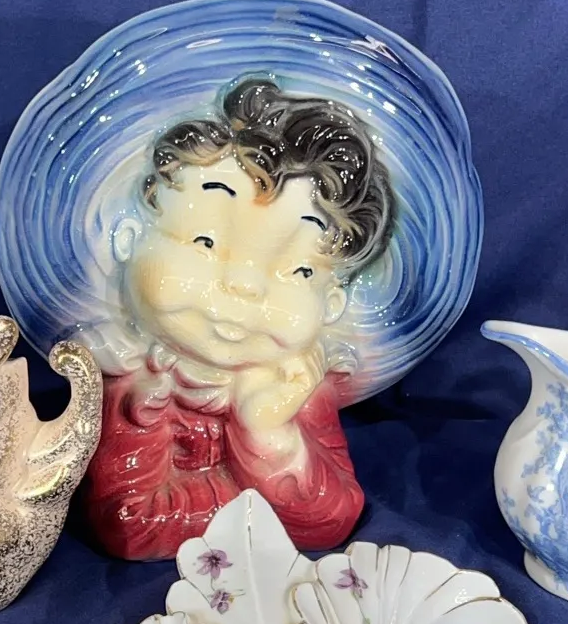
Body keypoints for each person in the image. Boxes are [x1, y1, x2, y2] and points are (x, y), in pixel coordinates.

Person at [83, 76, 396, 560]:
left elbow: (333, 521)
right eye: (205, 242)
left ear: (331, 303)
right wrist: (260, 507)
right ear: (128, 240)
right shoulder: (138, 384)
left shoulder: (293, 382)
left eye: (298, 270)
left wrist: (268, 432)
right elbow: (130, 525)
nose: (245, 285)